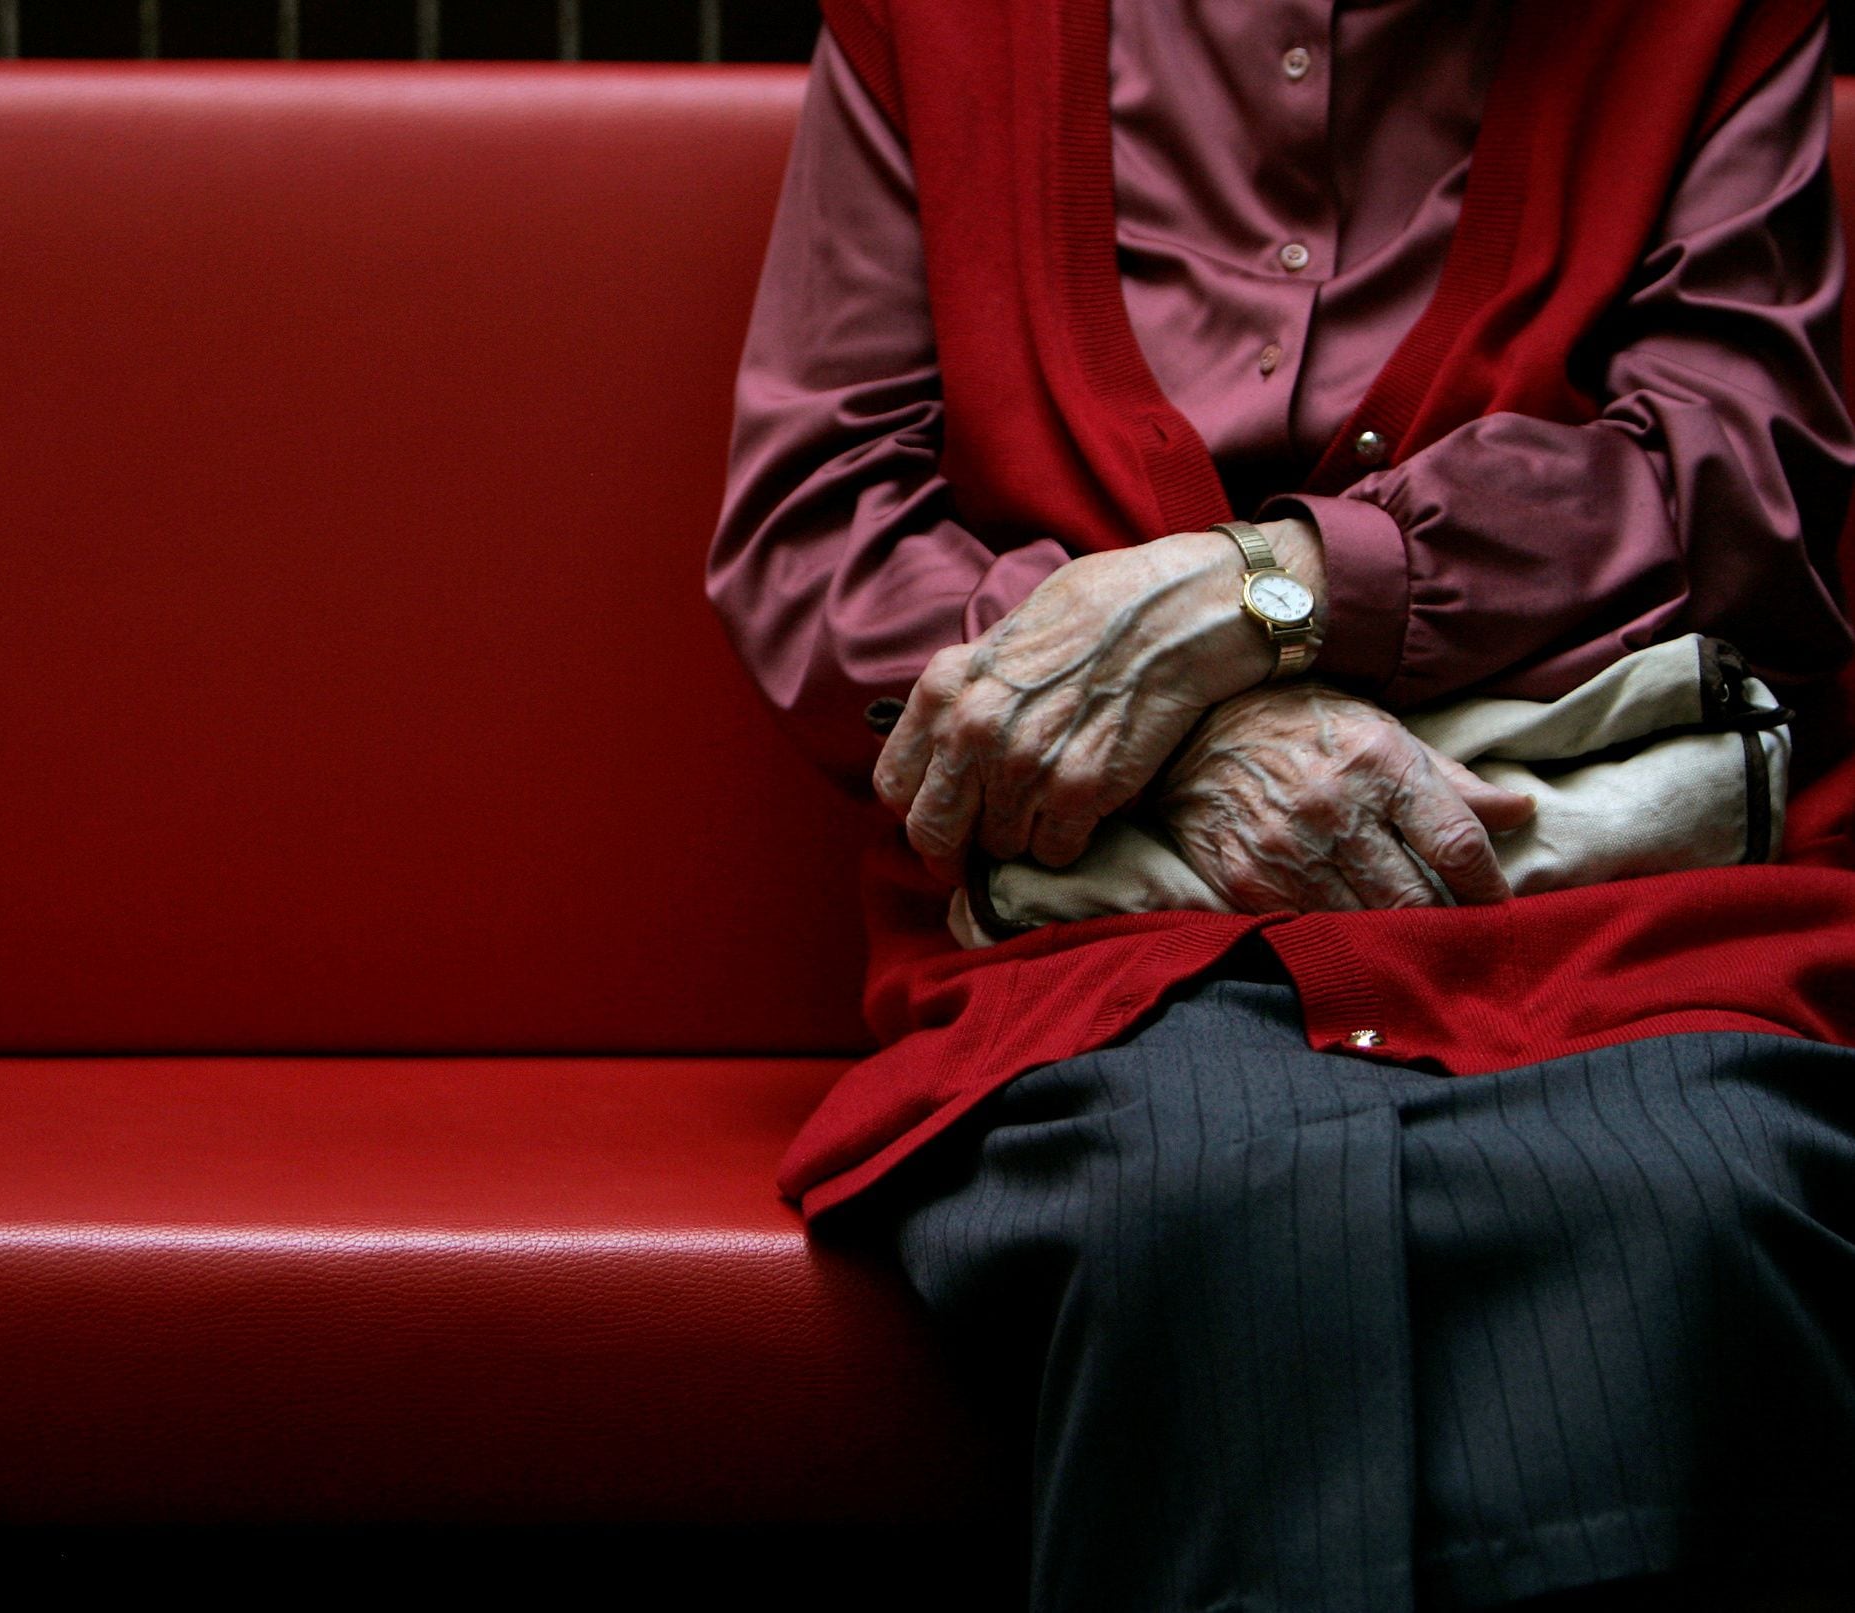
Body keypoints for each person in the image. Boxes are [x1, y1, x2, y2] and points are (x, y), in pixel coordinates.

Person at [707, 1, 1855, 1607]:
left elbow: (1748, 476)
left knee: (1693, 1202)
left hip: (1600, 907)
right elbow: (819, 525)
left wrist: (1282, 589)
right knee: (1204, 1199)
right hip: (1114, 934)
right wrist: (1153, 719)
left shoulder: (1710, 20)